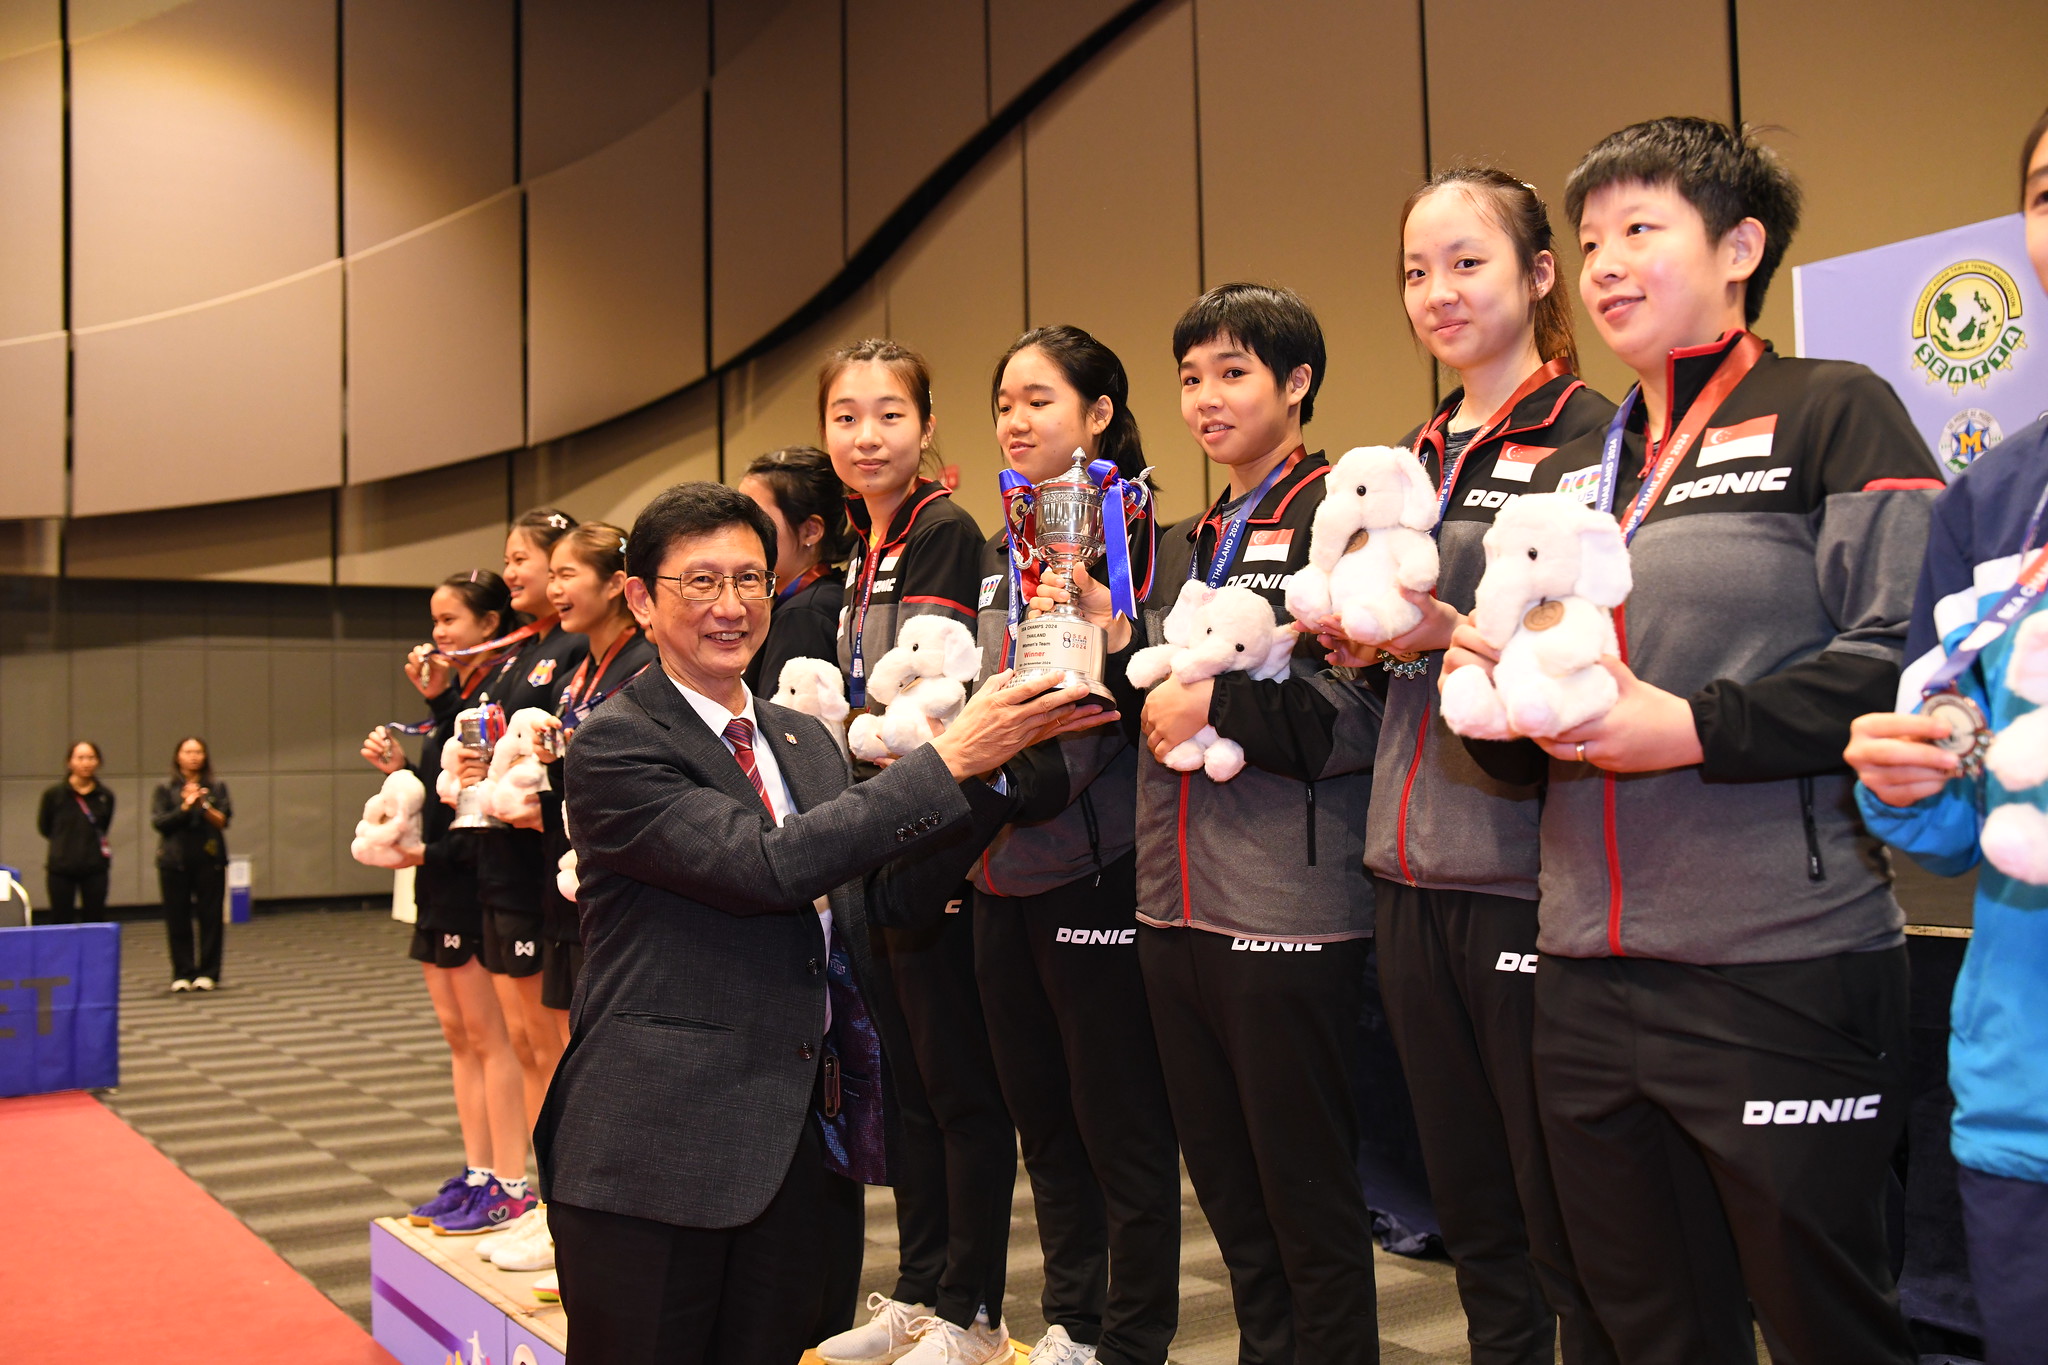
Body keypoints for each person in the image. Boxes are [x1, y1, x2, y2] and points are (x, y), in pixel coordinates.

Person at [1448, 118, 1943, 1363]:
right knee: (1641, 1330)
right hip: (1580, 966)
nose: (1606, 261)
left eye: (1641, 229)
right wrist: (1495, 695)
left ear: (1738, 247)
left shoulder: (1831, 409)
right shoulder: (1585, 468)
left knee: (1826, 1325)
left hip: (1773, 963)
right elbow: (1555, 736)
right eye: (1592, 236)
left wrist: (1693, 728)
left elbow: (1910, 659)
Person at [537, 480, 1108, 1365]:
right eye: (701, 583)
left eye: (752, 580)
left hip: (799, 1153)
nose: (731, 607)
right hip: (655, 1153)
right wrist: (950, 758)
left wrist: (999, 772)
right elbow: (768, 867)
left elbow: (879, 898)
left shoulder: (801, 740)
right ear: (643, 599)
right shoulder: (618, 742)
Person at [1039, 283, 1383, 1364]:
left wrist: (1215, 705)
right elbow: (1158, 693)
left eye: (1232, 372)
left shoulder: (1343, 515)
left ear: (1296, 383)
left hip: (1290, 903)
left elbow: (1360, 715)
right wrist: (1107, 631)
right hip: (1173, 906)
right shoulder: (1188, 538)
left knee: (1309, 1207)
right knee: (1231, 1204)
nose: (1204, 397)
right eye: (1189, 377)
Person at [1316, 169, 1618, 1364]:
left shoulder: (1595, 439)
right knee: (1471, 1211)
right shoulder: (1410, 454)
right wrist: (1347, 636)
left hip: (1526, 875)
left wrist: (1450, 630)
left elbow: (1591, 648)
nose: (1435, 293)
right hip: (1405, 872)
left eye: (1466, 263)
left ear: (1540, 276)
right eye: (1413, 271)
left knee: (1572, 1213)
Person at [1845, 105, 2048, 1365]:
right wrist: (1910, 778)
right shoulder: (1995, 493)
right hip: (2023, 1101)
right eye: (2045, 190)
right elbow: (1959, 804)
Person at [968, 326, 1180, 1365]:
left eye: (1039, 399)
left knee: (1120, 1127)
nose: (1016, 419)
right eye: (1004, 401)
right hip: (997, 865)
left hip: (1094, 863)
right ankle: (1070, 1323)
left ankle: (1131, 1339)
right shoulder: (992, 547)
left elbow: (1127, 691)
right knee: (1041, 1122)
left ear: (1097, 413)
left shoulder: (1139, 537)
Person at [816, 340, 1017, 1365]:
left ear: (926, 427)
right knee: (905, 1085)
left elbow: (922, 710)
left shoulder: (943, 534)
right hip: (872, 841)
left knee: (957, 1086)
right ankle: (919, 1286)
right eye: (845, 416)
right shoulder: (866, 545)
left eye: (888, 414)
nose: (865, 434)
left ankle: (973, 1313)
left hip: (930, 843)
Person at [360, 570, 532, 1246]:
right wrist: (406, 760)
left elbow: (478, 807)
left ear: (491, 625)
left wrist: (430, 853)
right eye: (435, 619)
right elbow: (444, 792)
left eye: (451, 619)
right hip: (439, 885)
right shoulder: (461, 697)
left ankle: (511, 1187)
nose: (438, 633)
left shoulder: (501, 691)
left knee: (495, 1040)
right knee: (460, 1036)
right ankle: (479, 1169)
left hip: (470, 880)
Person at [448, 506, 589, 1226]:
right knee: (528, 1040)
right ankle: (542, 1193)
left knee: (553, 1044)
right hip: (504, 854)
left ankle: (563, 1203)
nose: (516, 572)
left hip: (546, 862)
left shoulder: (571, 653)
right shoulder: (518, 653)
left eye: (528, 559)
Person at [538, 522, 657, 1022]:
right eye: (551, 575)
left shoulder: (647, 662)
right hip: (561, 866)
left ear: (615, 584)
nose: (554, 589)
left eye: (567, 574)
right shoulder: (571, 679)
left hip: (619, 874)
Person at [739, 446, 851, 696]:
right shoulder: (814, 599)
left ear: (811, 531)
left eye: (756, 519)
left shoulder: (804, 614)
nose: (740, 531)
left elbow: (784, 728)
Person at [152, 736, 231, 992]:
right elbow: (160, 822)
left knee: (211, 917)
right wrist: (185, 807)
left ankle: (209, 972)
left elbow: (223, 820)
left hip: (209, 859)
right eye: (188, 751)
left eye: (198, 752)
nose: (194, 756)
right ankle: (182, 972)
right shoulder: (165, 788)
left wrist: (203, 805)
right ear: (178, 756)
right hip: (174, 861)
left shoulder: (216, 787)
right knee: (177, 918)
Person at [38, 741, 114, 924]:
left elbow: (103, 827)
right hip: (61, 868)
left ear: (98, 762)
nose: (86, 763)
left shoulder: (105, 795)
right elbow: (44, 827)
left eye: (91, 758)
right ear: (69, 762)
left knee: (95, 919)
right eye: (80, 758)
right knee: (61, 919)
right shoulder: (54, 794)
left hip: (95, 868)